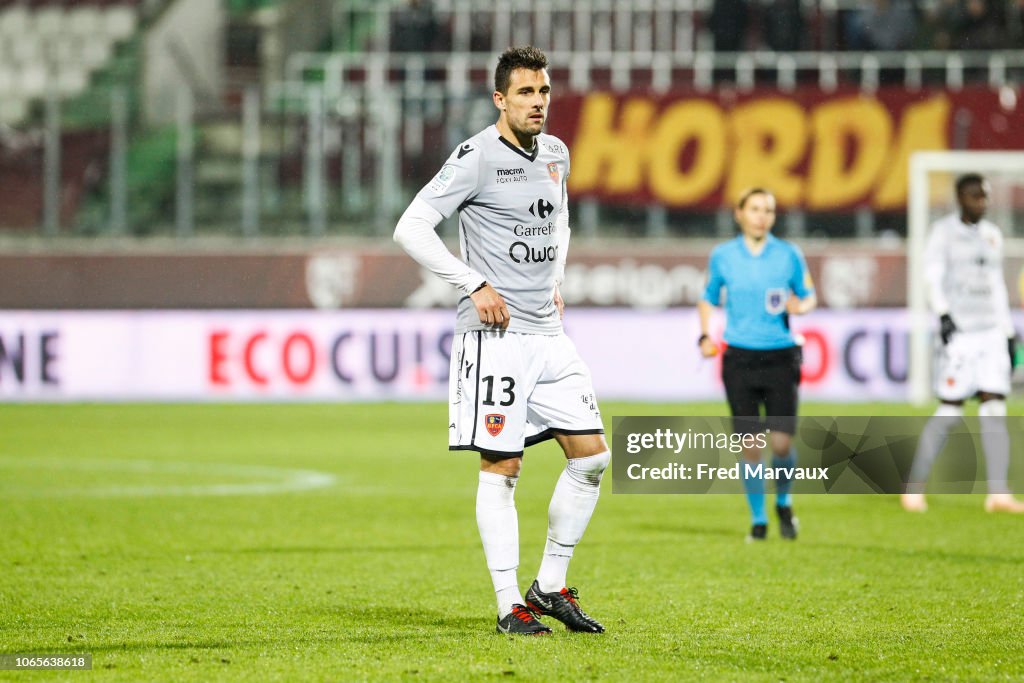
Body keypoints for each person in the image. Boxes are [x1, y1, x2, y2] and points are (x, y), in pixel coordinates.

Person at [392, 46, 608, 636]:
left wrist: (557, 281)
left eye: (543, 92)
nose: (538, 103)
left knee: (592, 458)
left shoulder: (557, 153)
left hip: (548, 330)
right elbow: (410, 226)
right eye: (525, 94)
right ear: (499, 99)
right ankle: (508, 601)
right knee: (503, 466)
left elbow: (559, 222)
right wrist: (473, 282)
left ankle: (551, 586)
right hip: (497, 336)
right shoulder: (475, 157)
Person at [698, 188, 816, 541]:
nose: (761, 215)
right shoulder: (723, 256)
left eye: (768, 210)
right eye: (755, 209)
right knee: (750, 444)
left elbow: (808, 296)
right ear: (739, 213)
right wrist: (705, 335)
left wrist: (801, 307)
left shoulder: (788, 255)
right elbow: (707, 298)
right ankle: (759, 519)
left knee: (780, 443)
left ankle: (783, 500)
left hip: (780, 356)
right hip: (739, 359)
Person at [902, 174, 1024, 513]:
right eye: (974, 196)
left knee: (995, 408)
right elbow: (932, 275)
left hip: (990, 334)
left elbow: (996, 285)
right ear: (959, 198)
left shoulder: (992, 235)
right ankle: (913, 486)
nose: (981, 202)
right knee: (950, 411)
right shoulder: (943, 234)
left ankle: (998, 493)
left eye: (984, 196)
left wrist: (1008, 329)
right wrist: (942, 313)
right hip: (961, 334)